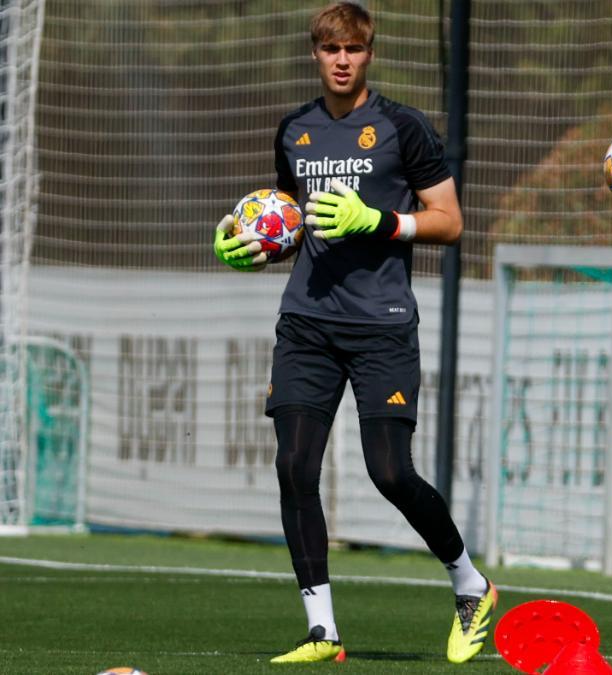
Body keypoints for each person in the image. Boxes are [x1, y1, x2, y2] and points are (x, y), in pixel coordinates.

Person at [211, 2, 496, 665]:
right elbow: (291, 225)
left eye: (354, 49)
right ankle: (322, 632)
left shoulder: (402, 127)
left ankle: (470, 584)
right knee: (293, 466)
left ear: (370, 53)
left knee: (390, 471)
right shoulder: (294, 130)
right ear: (315, 53)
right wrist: (248, 246)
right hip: (307, 322)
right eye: (330, 48)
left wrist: (382, 221)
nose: (342, 60)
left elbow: (450, 220)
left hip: (381, 326)